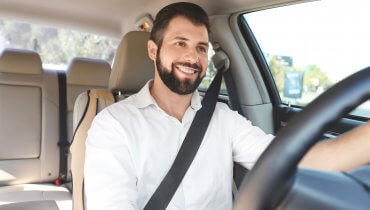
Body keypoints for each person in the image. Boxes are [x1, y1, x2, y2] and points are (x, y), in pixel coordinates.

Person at [84, 2, 370, 210]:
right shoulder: (113, 124)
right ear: (153, 50)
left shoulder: (222, 119)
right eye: (180, 43)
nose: (192, 57)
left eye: (200, 48)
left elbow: (288, 161)